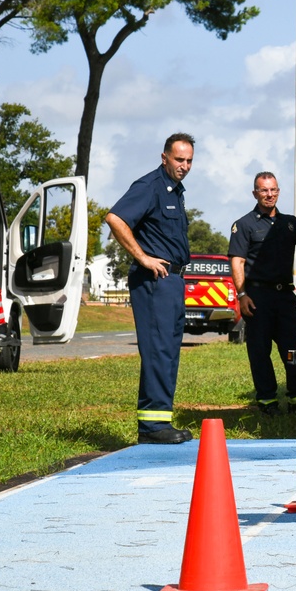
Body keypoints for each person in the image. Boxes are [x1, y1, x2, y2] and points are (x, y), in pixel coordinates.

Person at [106, 133, 195, 445]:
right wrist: (142, 257)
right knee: (157, 349)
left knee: (168, 351)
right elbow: (115, 218)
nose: (184, 166)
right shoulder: (149, 186)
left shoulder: (175, 191)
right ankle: (152, 426)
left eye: (188, 161)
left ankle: (160, 421)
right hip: (155, 280)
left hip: (172, 280)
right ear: (164, 157)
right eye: (178, 159)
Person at [228, 172, 296, 416]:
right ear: (255, 193)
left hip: (285, 297)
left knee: (293, 349)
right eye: (263, 190)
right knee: (260, 351)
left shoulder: (291, 224)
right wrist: (242, 295)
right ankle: (267, 402)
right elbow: (237, 262)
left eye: (273, 189)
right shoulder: (244, 225)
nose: (269, 194)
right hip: (257, 298)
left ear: (278, 191)